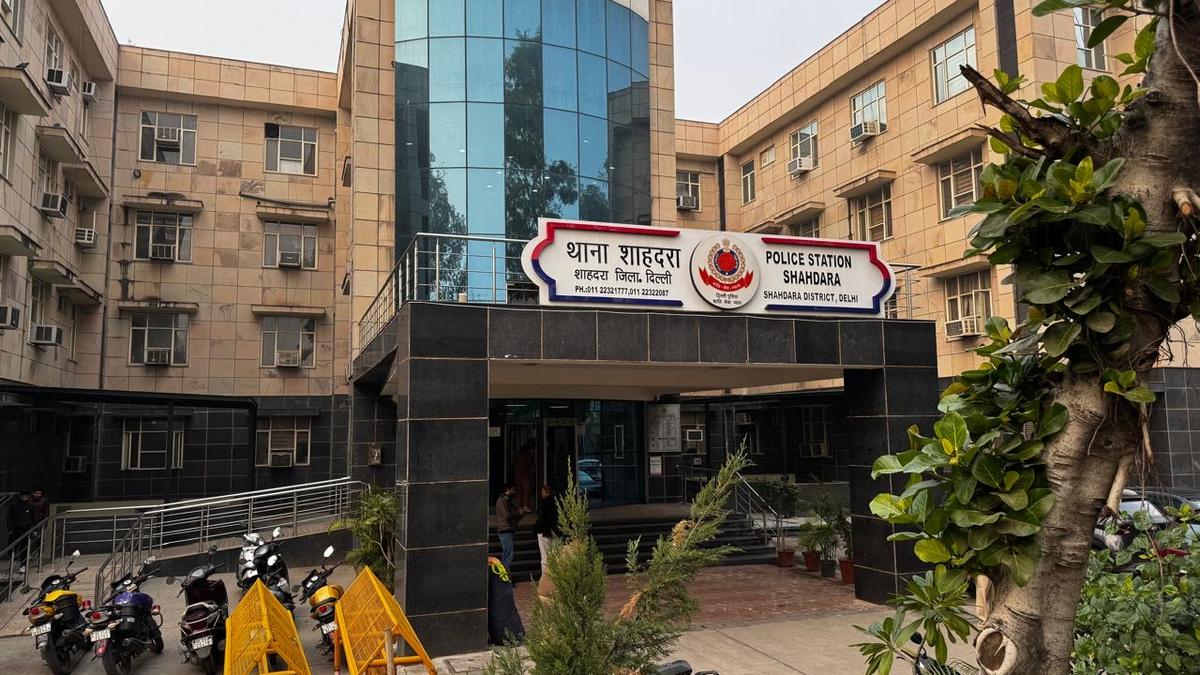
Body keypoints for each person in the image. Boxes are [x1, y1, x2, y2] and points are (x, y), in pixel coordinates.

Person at [495, 484, 523, 575]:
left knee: (507, 555)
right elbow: (506, 515)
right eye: (511, 490)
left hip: (509, 530)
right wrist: (517, 512)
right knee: (508, 555)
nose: (513, 492)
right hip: (505, 531)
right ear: (507, 490)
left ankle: (505, 576)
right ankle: (504, 576)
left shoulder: (508, 501)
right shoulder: (501, 501)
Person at [534, 484, 561, 576]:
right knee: (556, 554)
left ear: (545, 492)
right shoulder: (557, 502)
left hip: (544, 531)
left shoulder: (543, 502)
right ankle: (557, 575)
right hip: (555, 531)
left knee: (545, 556)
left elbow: (541, 518)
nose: (541, 494)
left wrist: (537, 529)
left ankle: (545, 577)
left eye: (542, 492)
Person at [7, 492, 37, 571]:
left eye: (26, 497)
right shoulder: (14, 505)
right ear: (20, 497)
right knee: (11, 546)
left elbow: (33, 518)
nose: (24, 498)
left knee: (24, 548)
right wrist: (10, 528)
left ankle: (23, 565)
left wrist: (34, 529)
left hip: (26, 529)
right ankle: (13, 560)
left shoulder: (31, 506)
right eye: (23, 497)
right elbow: (9, 517)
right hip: (15, 529)